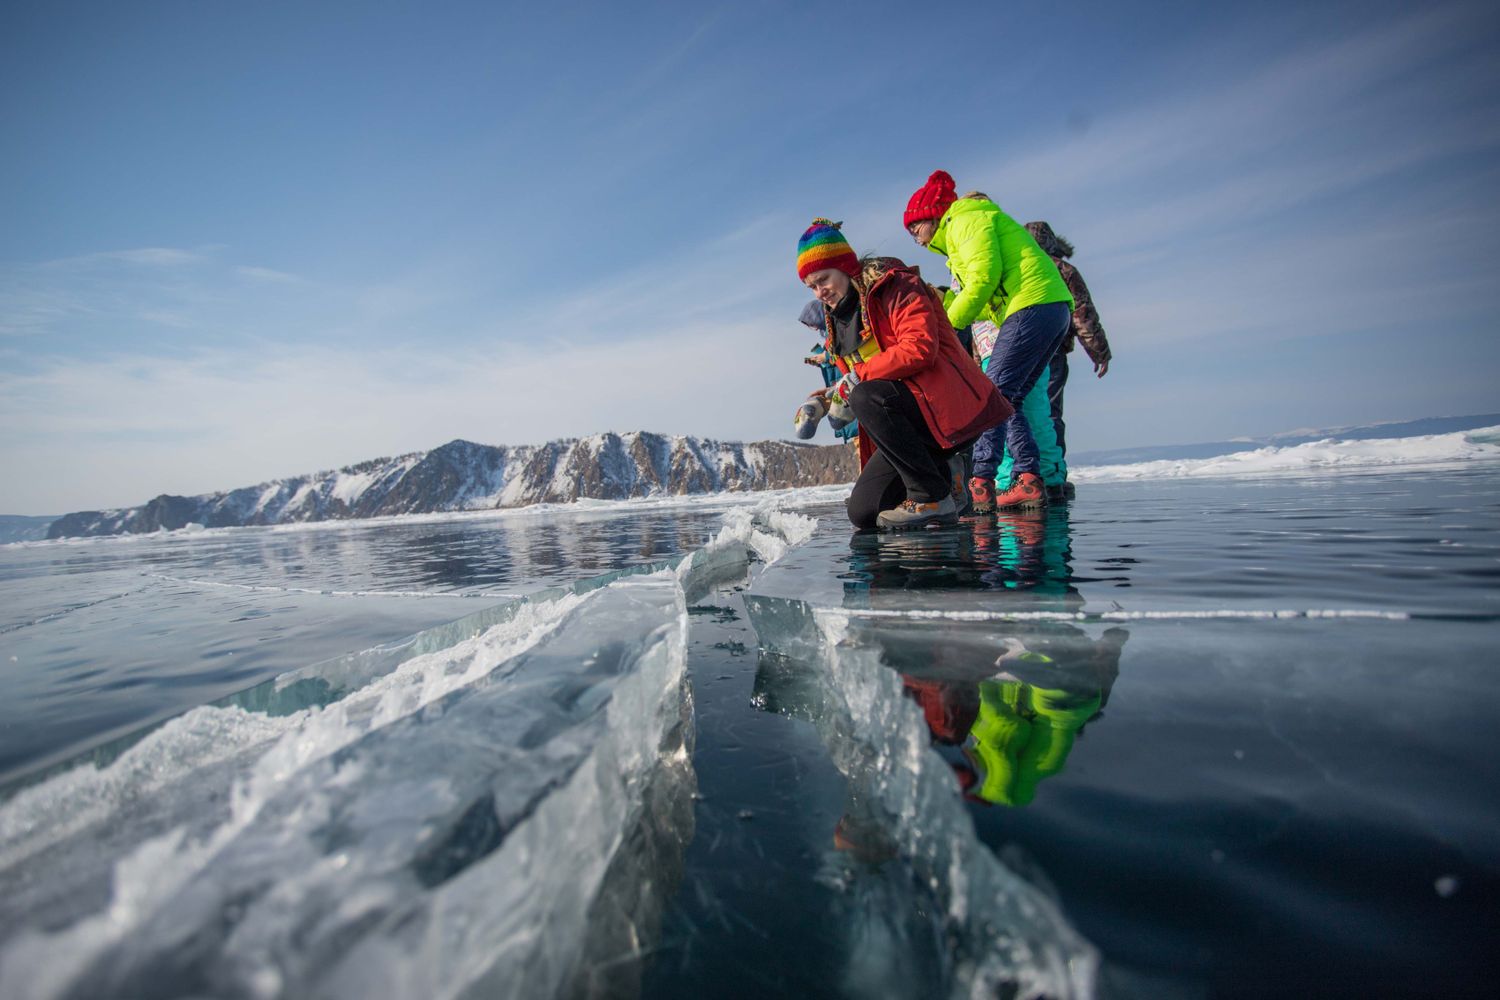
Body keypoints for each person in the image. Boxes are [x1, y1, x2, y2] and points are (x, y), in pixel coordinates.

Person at [795, 218, 1010, 531]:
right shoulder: (836, 323)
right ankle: (946, 474)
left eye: (823, 279)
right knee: (864, 513)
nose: (819, 293)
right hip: (910, 418)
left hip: (942, 407)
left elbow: (919, 347)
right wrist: (830, 396)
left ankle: (932, 497)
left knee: (864, 393)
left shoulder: (894, 284)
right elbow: (857, 376)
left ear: (844, 265)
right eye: (811, 286)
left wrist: (854, 380)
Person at [904, 171, 1073, 511]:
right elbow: (965, 291)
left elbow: (983, 279)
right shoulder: (961, 235)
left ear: (933, 215)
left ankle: (979, 485)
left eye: (915, 227)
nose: (914, 237)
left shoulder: (965, 222)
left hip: (1032, 303)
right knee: (1011, 399)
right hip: (1047, 307)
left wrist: (944, 332)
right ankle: (1027, 479)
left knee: (991, 396)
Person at [1024, 221, 1112, 501]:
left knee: (1020, 412)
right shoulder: (1062, 269)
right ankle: (1053, 476)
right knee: (1050, 412)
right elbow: (1082, 313)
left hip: (1019, 350)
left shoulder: (1018, 266)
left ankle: (1026, 475)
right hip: (1053, 351)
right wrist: (1099, 351)